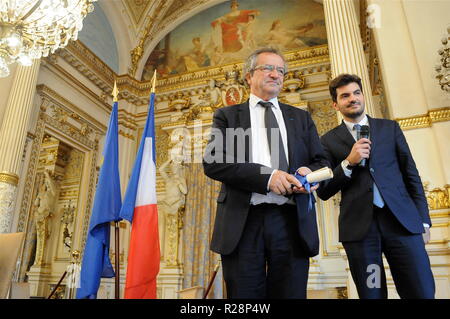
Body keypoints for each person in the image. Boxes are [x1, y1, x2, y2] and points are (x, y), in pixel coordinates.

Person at [203, 48, 328, 298]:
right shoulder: (227, 116)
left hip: (292, 221)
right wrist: (268, 177)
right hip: (243, 221)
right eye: (267, 68)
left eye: (280, 70)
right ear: (249, 76)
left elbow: (321, 161)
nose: (275, 74)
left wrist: (308, 173)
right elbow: (214, 161)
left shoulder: (301, 118)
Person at [317, 73, 435, 299]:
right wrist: (347, 163)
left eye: (356, 93)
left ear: (363, 96)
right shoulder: (327, 141)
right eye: (345, 96)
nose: (353, 98)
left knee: (420, 290)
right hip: (362, 235)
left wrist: (423, 220)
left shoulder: (389, 128)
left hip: (402, 226)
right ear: (336, 104)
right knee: (372, 294)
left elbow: (411, 175)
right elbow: (324, 190)